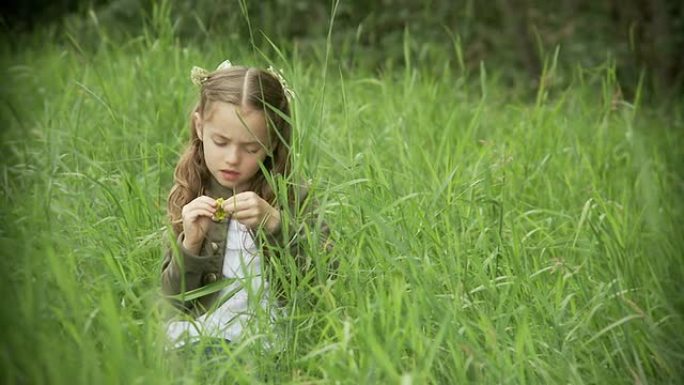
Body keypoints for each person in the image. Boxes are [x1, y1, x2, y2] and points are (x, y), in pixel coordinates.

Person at [160, 60, 331, 352]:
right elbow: (173, 301)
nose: (232, 159)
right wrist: (191, 243)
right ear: (200, 126)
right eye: (221, 142)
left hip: (265, 337)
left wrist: (276, 226)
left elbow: (322, 282)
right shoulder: (192, 192)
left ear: (272, 143)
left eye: (251, 148)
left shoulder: (293, 195)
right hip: (201, 329)